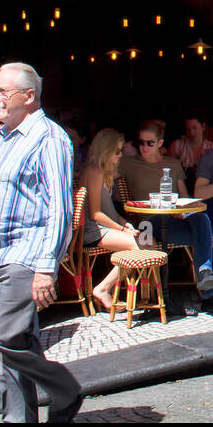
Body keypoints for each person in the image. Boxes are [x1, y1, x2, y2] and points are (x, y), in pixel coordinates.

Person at [0, 62, 83, 423]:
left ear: (29, 96)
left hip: (24, 254)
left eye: (3, 92)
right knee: (13, 346)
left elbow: (59, 208)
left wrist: (46, 267)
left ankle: (65, 389)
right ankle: (19, 419)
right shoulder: (6, 138)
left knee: (2, 338)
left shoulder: (48, 138)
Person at [119, 119, 213, 306]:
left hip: (173, 217)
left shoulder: (172, 164)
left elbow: (184, 196)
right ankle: (208, 292)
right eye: (140, 142)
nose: (144, 147)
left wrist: (181, 212)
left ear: (160, 143)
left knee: (202, 219)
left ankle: (205, 274)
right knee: (203, 236)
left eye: (149, 143)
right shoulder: (128, 163)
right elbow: (104, 172)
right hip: (149, 222)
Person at [79, 128, 142, 312]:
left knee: (148, 243)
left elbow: (110, 212)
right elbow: (96, 215)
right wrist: (123, 230)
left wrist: (124, 224)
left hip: (102, 227)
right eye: (117, 151)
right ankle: (103, 288)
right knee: (137, 246)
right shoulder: (95, 172)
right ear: (105, 151)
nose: (121, 155)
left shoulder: (104, 172)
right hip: (92, 230)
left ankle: (142, 293)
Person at [171, 115, 213, 185]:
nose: (191, 132)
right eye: (188, 129)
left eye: (194, 128)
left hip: (205, 187)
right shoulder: (177, 145)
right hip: (182, 186)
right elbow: (170, 169)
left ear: (203, 127)